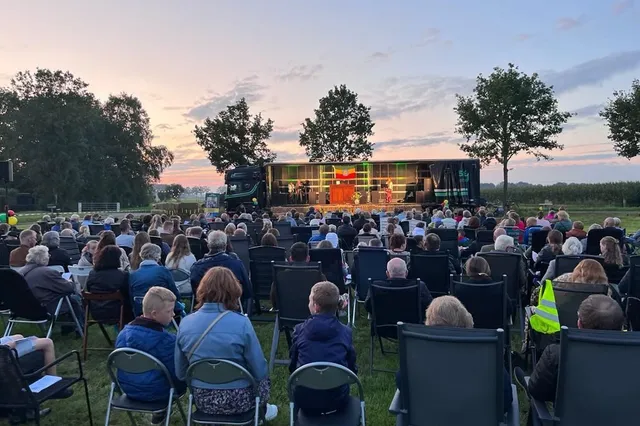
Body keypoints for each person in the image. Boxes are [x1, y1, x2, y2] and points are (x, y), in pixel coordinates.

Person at [175, 267, 278, 420]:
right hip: (240, 399)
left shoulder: (185, 323)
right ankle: (262, 408)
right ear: (233, 291)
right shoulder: (242, 323)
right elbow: (259, 370)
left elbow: (180, 373)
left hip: (203, 399)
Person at [394, 296, 512, 419]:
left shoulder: (417, 359)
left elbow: (401, 381)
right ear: (465, 321)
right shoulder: (486, 357)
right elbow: (506, 398)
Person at [523, 295, 624, 402]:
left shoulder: (557, 355)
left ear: (579, 323)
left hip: (570, 418)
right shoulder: (633, 359)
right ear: (620, 328)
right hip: (622, 418)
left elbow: (536, 390)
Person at [115, 287, 185, 425]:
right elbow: (176, 374)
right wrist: (183, 386)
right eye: (169, 311)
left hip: (128, 389)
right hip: (157, 394)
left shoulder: (122, 334)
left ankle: (160, 414)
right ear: (154, 313)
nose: (172, 315)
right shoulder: (166, 341)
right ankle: (161, 413)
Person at [289, 281, 357, 416]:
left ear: (316, 306)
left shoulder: (299, 331)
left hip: (304, 397)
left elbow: (293, 366)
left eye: (309, 300)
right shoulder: (345, 332)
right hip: (337, 398)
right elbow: (351, 368)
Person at [21, 246, 84, 329]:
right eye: (48, 255)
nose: (49, 257)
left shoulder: (21, 271)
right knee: (75, 298)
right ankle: (79, 327)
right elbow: (68, 288)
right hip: (46, 306)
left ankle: (69, 327)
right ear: (42, 258)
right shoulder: (46, 272)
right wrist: (70, 282)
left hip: (27, 307)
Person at [190, 231, 252, 306]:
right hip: (231, 306)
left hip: (205, 306)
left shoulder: (196, 267)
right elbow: (247, 291)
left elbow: (196, 293)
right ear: (225, 246)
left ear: (208, 246)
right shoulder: (236, 264)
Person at [365, 258, 432, 320]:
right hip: (411, 330)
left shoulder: (376, 287)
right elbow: (429, 306)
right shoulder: (419, 286)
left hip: (383, 330)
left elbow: (368, 306)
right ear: (406, 273)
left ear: (387, 274)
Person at [129, 243, 181, 317]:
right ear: (157, 256)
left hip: (140, 309)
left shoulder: (133, 275)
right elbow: (174, 292)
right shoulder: (163, 271)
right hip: (161, 309)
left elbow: (131, 296)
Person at [85, 245, 133, 324]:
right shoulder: (122, 275)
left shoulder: (92, 274)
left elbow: (89, 289)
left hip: (96, 312)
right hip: (119, 312)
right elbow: (127, 294)